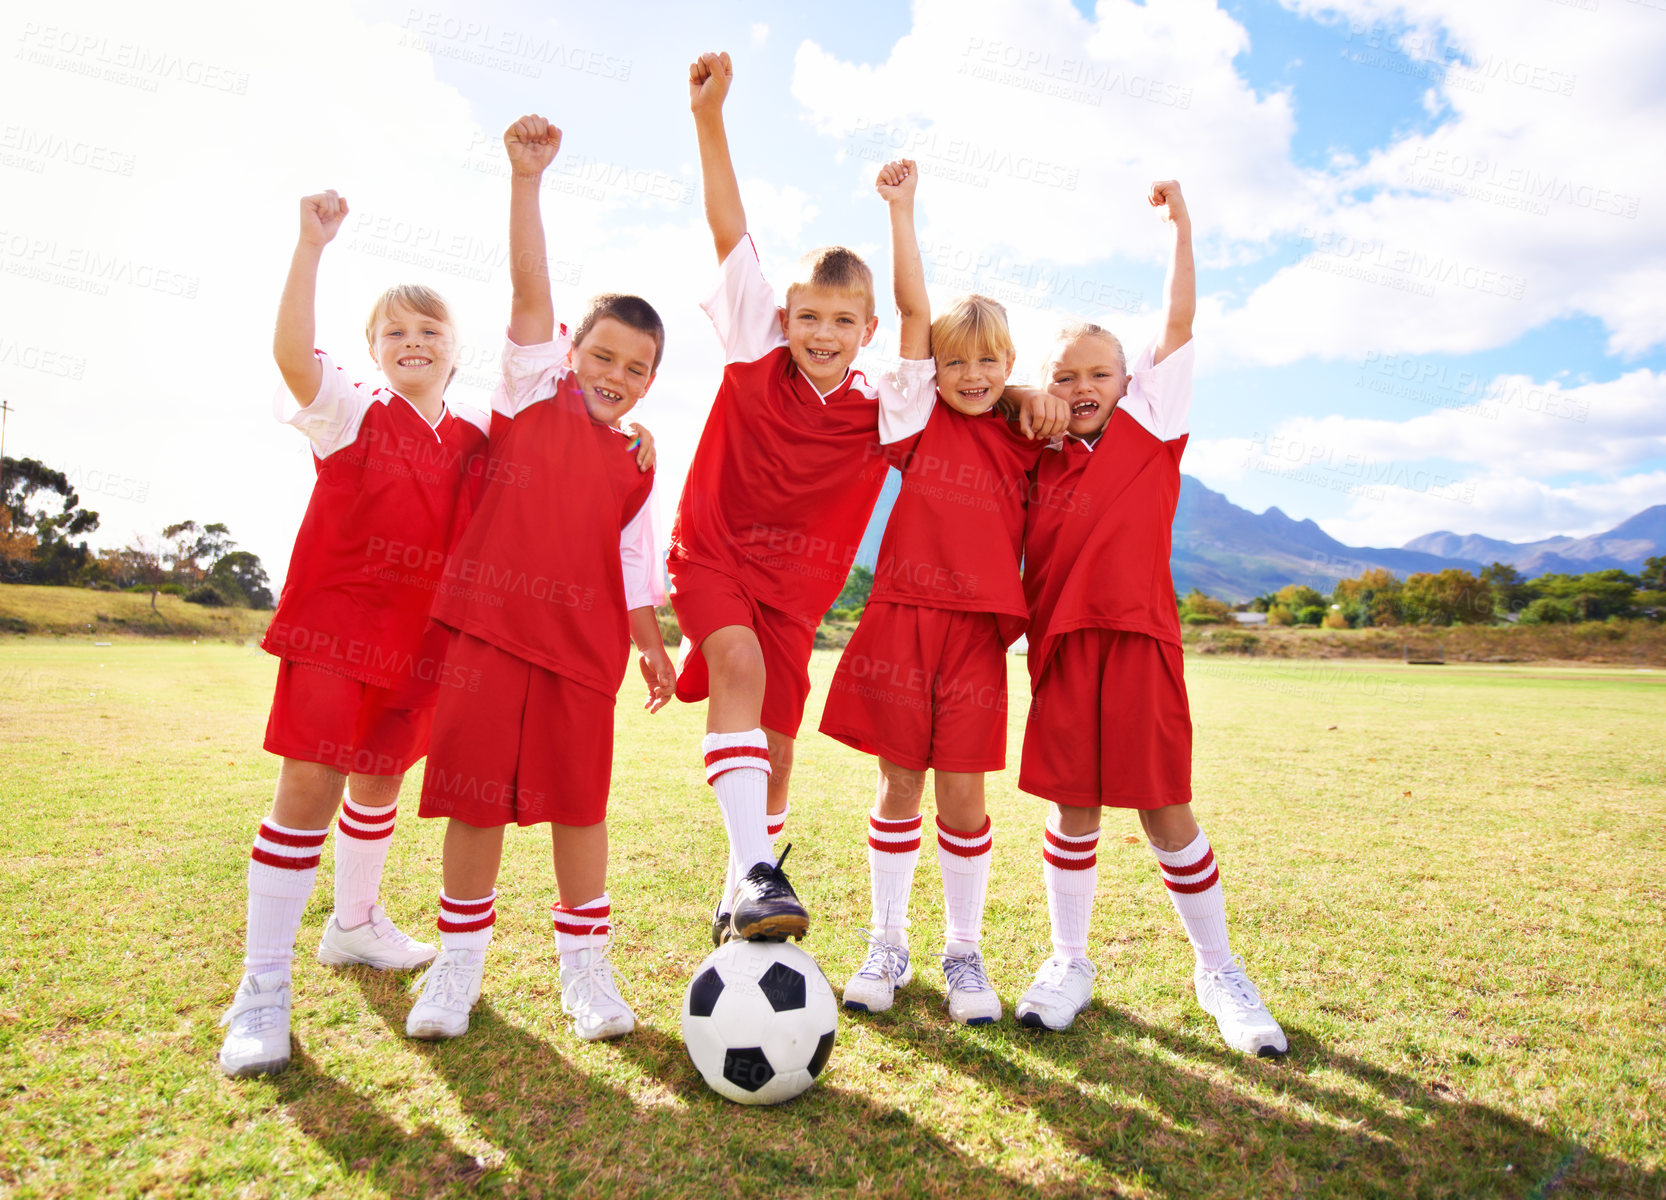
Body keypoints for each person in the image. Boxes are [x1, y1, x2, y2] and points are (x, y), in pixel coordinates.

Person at [402, 115, 675, 1044]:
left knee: (578, 810)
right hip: (490, 634)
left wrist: (651, 648)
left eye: (636, 369)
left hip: (583, 654)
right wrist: (527, 181)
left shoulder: (639, 459)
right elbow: (529, 283)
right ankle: (456, 970)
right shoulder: (527, 394)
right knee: (474, 803)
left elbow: (633, 562)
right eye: (602, 356)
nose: (616, 374)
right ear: (571, 354)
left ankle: (585, 974)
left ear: (649, 383)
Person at [669, 51, 945, 947]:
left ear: (863, 332)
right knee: (737, 671)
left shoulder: (883, 406)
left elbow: (916, 320)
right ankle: (752, 874)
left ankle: (742, 884)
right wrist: (710, 118)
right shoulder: (755, 350)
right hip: (712, 556)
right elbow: (728, 230)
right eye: (808, 316)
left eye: (842, 321)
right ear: (782, 315)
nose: (822, 333)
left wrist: (900, 214)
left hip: (798, 597)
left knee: (779, 753)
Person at [218, 190, 491, 1078]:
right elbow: (291, 353)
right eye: (394, 333)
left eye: (430, 332)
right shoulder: (348, 409)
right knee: (309, 789)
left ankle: (356, 925)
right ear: (374, 351)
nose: (412, 343)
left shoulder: (476, 435)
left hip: (420, 645)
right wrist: (309, 246)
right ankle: (261, 989)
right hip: (337, 629)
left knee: (379, 780)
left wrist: (633, 437)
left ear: (455, 350)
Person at [1014, 181, 1287, 1056]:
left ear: (1131, 384)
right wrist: (1025, 393)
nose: (1083, 386)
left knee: (1166, 809)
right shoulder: (1033, 451)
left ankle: (1218, 970)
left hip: (1139, 641)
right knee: (1073, 809)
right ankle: (1069, 963)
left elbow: (1179, 320)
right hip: (1060, 647)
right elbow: (960, 383)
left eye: (1099, 374)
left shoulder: (1153, 426)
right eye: (1066, 376)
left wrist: (1184, 230)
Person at [819, 160, 1060, 1025]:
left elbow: (1074, 407)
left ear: (1008, 365)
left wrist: (1033, 396)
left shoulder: (1024, 433)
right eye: (957, 362)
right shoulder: (915, 418)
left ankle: (965, 952)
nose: (971, 375)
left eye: (989, 363)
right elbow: (916, 315)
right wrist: (902, 210)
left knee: (963, 793)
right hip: (901, 621)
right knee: (898, 786)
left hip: (976, 637)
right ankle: (888, 942)